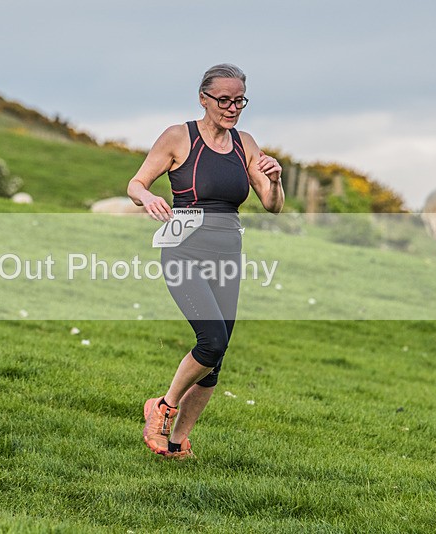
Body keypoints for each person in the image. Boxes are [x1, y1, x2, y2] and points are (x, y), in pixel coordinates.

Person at [127, 64, 283, 459]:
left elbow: (271, 204)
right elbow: (136, 183)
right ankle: (163, 407)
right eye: (224, 100)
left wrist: (276, 179)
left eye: (239, 101)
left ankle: (177, 443)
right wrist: (148, 199)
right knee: (210, 340)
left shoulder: (244, 142)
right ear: (204, 98)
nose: (232, 108)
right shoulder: (179, 136)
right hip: (184, 251)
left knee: (217, 356)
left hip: (227, 254)